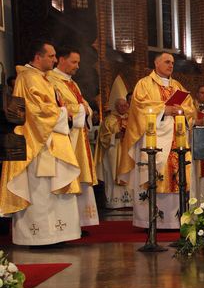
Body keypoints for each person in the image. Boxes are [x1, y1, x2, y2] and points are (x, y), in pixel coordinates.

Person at [0, 40, 81, 246]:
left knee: (51, 191)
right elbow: (35, 111)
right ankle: (41, 236)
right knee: (41, 191)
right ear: (38, 57)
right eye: (51, 56)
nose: (55, 60)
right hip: (37, 144)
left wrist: (66, 111)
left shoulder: (42, 78)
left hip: (50, 140)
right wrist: (64, 113)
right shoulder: (28, 78)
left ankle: (56, 235)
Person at [117, 52, 196, 229]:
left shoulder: (177, 85)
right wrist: (164, 110)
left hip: (177, 137)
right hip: (154, 139)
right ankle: (151, 221)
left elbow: (190, 108)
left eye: (172, 63)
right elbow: (139, 108)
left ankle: (176, 220)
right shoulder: (144, 84)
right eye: (167, 62)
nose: (170, 65)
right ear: (156, 63)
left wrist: (181, 111)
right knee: (154, 174)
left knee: (179, 176)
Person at [47, 47, 99, 227]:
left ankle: (82, 222)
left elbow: (82, 104)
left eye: (78, 62)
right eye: (74, 62)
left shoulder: (72, 83)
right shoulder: (51, 80)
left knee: (82, 177)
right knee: (70, 177)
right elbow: (61, 107)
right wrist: (81, 110)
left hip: (79, 136)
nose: (77, 66)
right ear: (61, 60)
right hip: (66, 137)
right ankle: (70, 222)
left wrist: (85, 109)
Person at [94, 97, 132, 209]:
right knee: (112, 176)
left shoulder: (131, 119)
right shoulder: (109, 120)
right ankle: (114, 202)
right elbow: (103, 137)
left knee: (129, 175)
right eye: (121, 105)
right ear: (116, 107)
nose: (124, 107)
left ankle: (129, 201)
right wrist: (115, 136)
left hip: (128, 152)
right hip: (113, 152)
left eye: (126, 105)